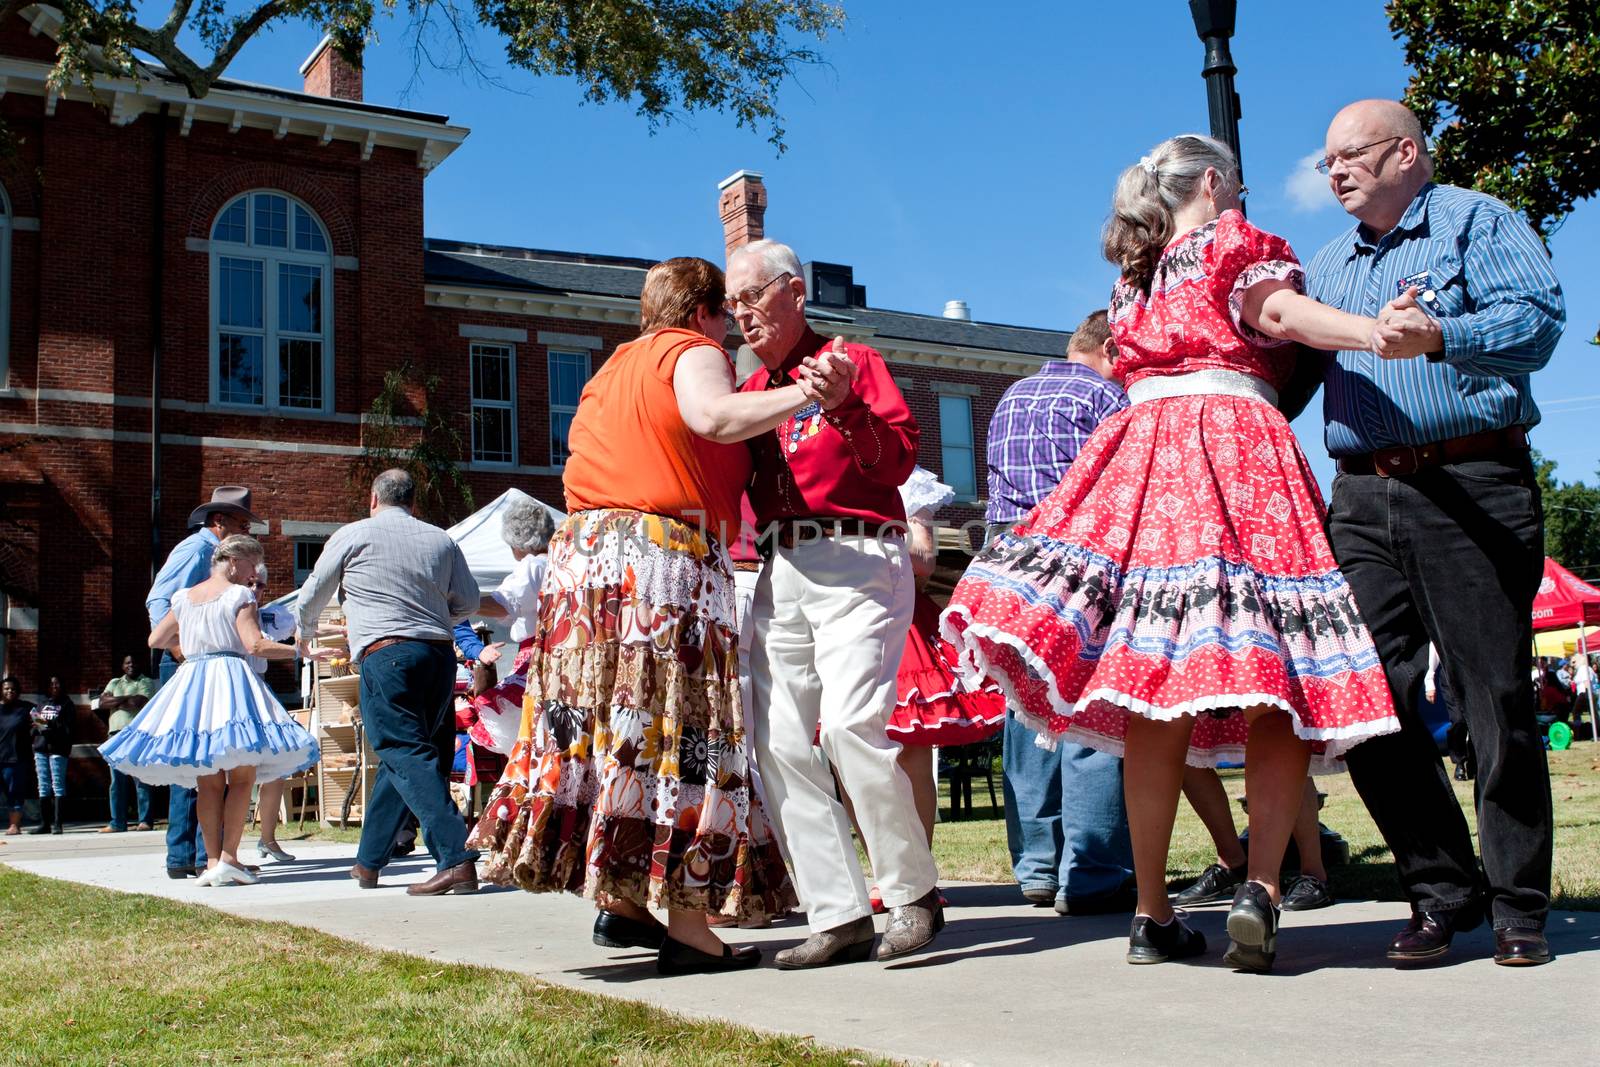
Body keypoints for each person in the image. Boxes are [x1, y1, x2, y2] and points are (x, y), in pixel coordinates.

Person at [943, 134, 1401, 972]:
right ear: (1217, 182)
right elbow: (1278, 314)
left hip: (1145, 455)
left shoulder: (1134, 276)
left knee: (1156, 687)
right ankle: (1260, 884)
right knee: (1276, 670)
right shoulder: (1234, 242)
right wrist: (1373, 331)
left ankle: (1152, 913)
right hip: (1234, 448)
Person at [470, 257, 807, 975]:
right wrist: (806, 392)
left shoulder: (610, 370)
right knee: (685, 728)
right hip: (660, 557)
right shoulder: (691, 352)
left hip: (585, 565)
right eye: (727, 314)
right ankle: (689, 923)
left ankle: (622, 903)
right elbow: (712, 416)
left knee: (608, 724)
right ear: (705, 312)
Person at [1307, 99, 1565, 968]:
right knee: (1367, 699)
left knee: (1492, 695)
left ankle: (1519, 906)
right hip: (1361, 499)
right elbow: (1286, 373)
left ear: (1406, 153)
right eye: (1326, 162)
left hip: (1471, 480)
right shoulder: (1328, 267)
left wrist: (1443, 334)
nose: (1335, 171)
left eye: (1351, 155)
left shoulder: (1473, 221)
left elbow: (1537, 324)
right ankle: (1440, 890)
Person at [730, 238, 944, 967]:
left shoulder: (854, 361)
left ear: (792, 291)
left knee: (853, 722)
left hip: (858, 553)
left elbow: (898, 460)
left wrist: (847, 403)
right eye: (731, 304)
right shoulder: (756, 393)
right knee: (780, 741)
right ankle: (837, 913)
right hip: (781, 563)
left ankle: (913, 895)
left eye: (751, 297)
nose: (741, 314)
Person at [984, 309, 1137, 916]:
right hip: (1078, 551)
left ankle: (1037, 866)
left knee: (1026, 706)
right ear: (1111, 348)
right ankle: (1093, 870)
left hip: (1007, 552)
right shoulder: (1107, 399)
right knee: (1087, 708)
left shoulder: (1013, 394)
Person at [295, 469, 482, 897]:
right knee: (415, 755)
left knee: (403, 751)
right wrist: (433, 616)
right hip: (438, 656)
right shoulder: (440, 538)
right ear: (413, 503)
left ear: (373, 498)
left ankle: (456, 857)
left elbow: (314, 591)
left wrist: (304, 635)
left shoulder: (353, 534)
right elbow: (469, 602)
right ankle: (368, 862)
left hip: (388, 653)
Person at [103, 535, 319, 885]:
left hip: (195, 683)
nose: (252, 577)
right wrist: (299, 652)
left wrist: (190, 646)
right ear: (233, 561)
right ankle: (230, 858)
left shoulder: (184, 597)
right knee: (242, 777)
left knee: (209, 783)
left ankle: (212, 862)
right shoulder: (239, 595)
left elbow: (155, 640)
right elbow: (255, 644)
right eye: (250, 566)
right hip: (230, 680)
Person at [145, 485, 259, 878]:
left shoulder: (215, 562)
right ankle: (190, 855)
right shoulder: (196, 550)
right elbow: (159, 601)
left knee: (206, 758)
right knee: (198, 757)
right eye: (242, 523)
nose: (247, 532)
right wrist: (182, 650)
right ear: (218, 522)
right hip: (194, 663)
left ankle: (202, 857)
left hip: (203, 662)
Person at [466, 499, 556, 756]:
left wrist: (464, 604)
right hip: (557, 656)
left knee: (529, 738)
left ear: (517, 542)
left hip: (536, 657)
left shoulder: (533, 566)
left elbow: (505, 605)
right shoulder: (560, 563)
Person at [249, 561, 302, 863]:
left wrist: (344, 628)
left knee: (277, 766)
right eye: (250, 583)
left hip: (259, 691)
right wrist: (299, 651)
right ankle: (217, 851)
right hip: (232, 691)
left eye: (259, 585)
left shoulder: (269, 614)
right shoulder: (226, 610)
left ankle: (267, 838)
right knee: (231, 769)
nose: (254, 590)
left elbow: (301, 625)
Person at [99, 655, 159, 832]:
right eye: (127, 662)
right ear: (122, 666)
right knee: (116, 780)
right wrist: (126, 699)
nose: (131, 665)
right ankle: (117, 822)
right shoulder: (115, 682)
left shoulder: (145, 682)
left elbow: (139, 702)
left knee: (140, 777)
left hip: (136, 735)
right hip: (115, 736)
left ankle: (145, 821)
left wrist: (116, 702)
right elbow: (103, 702)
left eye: (134, 662)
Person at [28, 676, 75, 835]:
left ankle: (57, 824)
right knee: (43, 786)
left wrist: (50, 725)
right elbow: (33, 729)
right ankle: (44, 824)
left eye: (57, 683)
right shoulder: (42, 704)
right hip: (41, 748)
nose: (54, 686)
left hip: (58, 749)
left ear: (62, 686)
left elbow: (69, 729)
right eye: (51, 684)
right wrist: (36, 726)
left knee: (58, 785)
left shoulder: (67, 704)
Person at [1, 677, 34, 835]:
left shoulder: (26, 708)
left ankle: (14, 826)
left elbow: (43, 724)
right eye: (6, 688)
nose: (10, 691)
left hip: (16, 758)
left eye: (13, 689)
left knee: (14, 793)